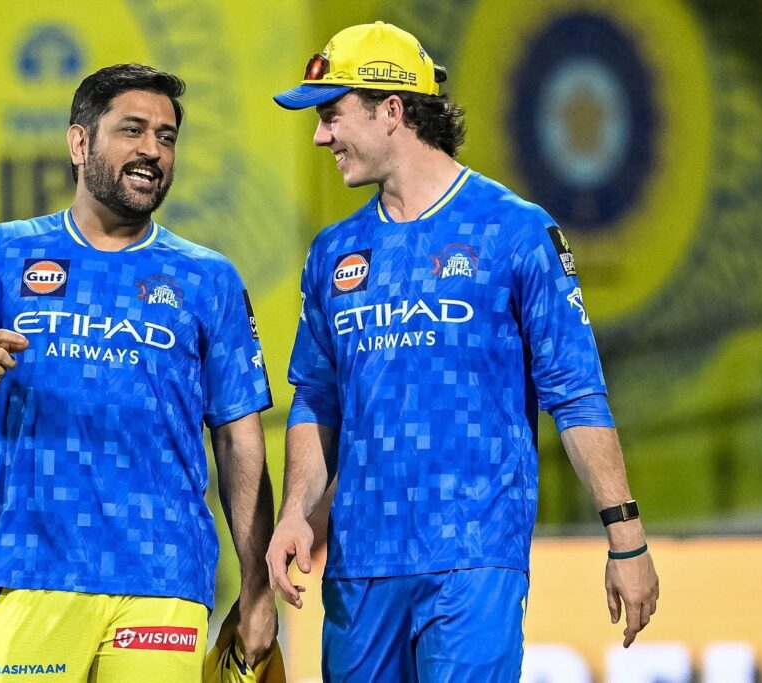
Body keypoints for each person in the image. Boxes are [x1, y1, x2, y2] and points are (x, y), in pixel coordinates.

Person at [264, 22, 659, 682]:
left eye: (332, 116)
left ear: (392, 110)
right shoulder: (333, 253)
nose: (320, 137)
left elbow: (576, 393)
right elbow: (316, 399)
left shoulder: (517, 232)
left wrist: (627, 538)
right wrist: (295, 514)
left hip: (474, 559)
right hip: (358, 569)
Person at [0, 63, 277, 683]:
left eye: (166, 137)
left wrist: (257, 588)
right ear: (79, 143)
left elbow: (240, 441)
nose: (152, 150)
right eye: (133, 130)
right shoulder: (4, 252)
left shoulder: (208, 279)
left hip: (164, 578)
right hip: (35, 571)